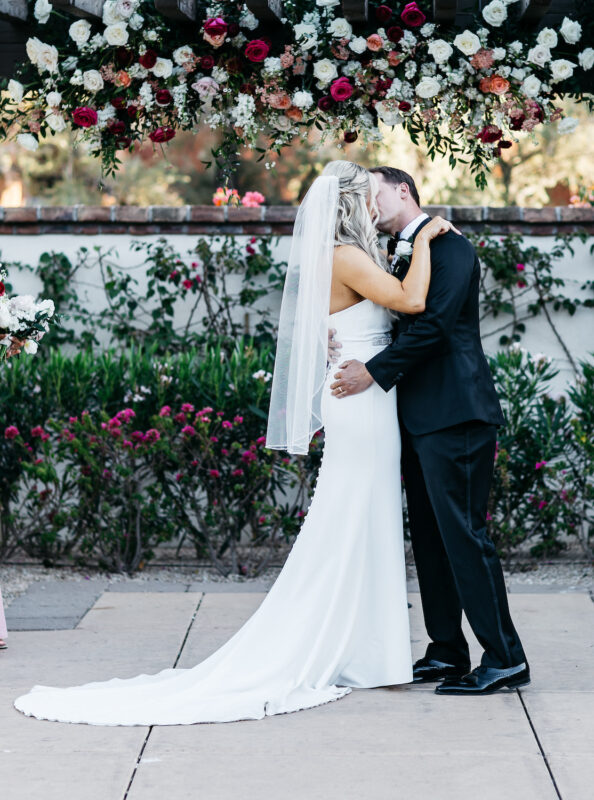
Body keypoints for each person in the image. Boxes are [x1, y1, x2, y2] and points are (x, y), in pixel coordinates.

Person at [14, 160, 455, 725]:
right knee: (354, 521)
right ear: (350, 205)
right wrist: (429, 238)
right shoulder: (345, 257)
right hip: (362, 406)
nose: (375, 203)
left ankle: (367, 653)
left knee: (364, 521)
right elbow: (412, 301)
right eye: (367, 196)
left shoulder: (347, 257)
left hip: (365, 399)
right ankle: (361, 652)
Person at [330, 166, 529, 695]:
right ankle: (445, 651)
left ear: (402, 190)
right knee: (432, 540)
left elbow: (437, 328)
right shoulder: (387, 253)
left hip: (456, 413)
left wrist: (372, 371)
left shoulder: (452, 248)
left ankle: (506, 658)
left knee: (464, 535)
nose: (366, 203)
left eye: (372, 191)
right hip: (415, 417)